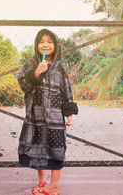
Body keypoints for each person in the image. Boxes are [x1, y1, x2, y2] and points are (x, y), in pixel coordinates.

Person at [16, 29, 78, 195]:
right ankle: (42, 182)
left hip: (55, 118)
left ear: (55, 45)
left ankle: (54, 186)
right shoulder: (30, 64)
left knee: (56, 149)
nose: (45, 45)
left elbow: (67, 90)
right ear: (36, 45)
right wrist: (36, 72)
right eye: (42, 41)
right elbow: (24, 85)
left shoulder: (60, 67)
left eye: (49, 42)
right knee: (37, 148)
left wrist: (69, 112)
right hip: (35, 116)